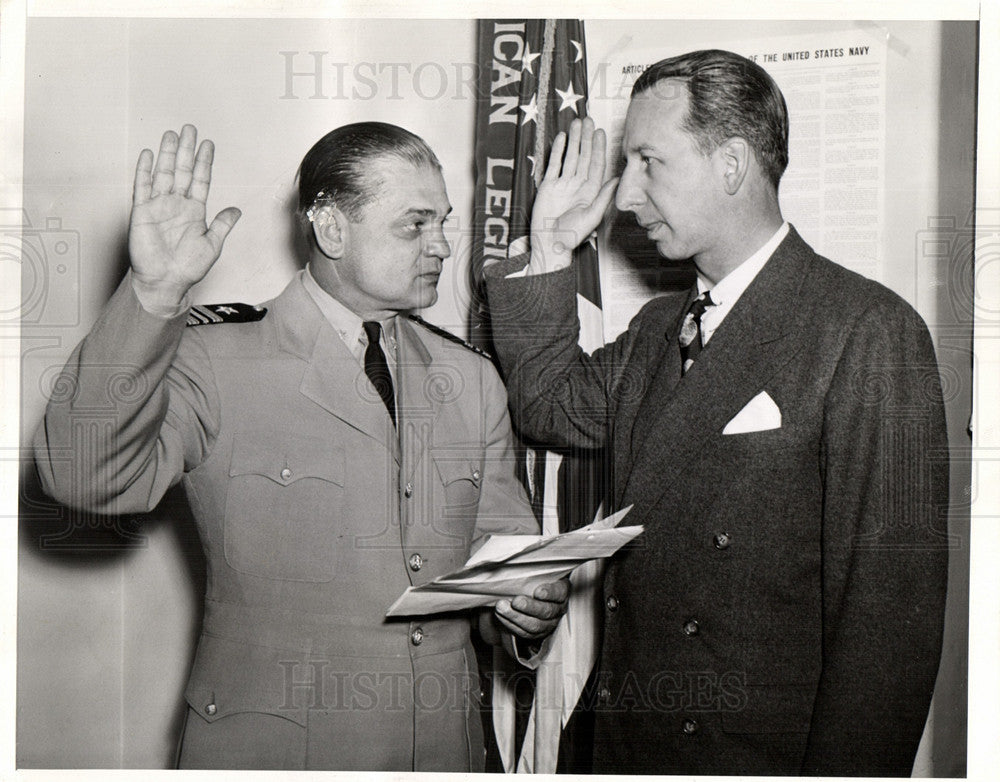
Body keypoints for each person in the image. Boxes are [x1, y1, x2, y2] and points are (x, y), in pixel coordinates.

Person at [32, 121, 569, 771]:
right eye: (415, 224)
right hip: (279, 753)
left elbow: (497, 571)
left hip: (440, 754)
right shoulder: (217, 359)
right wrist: (155, 294)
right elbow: (82, 476)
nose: (442, 247)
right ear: (332, 228)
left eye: (444, 223)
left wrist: (522, 611)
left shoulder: (472, 380)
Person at [484, 49, 949, 776]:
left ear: (732, 165)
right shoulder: (657, 329)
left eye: (648, 162)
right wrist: (547, 245)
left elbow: (887, 631)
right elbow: (549, 404)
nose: (625, 198)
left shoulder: (866, 331)